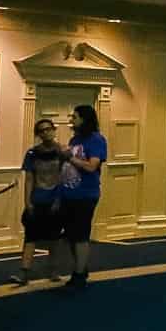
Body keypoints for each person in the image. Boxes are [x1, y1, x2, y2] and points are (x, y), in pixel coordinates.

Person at [11, 118, 67, 286]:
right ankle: (24, 272)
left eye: (48, 129)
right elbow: (29, 179)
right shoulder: (32, 153)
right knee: (31, 237)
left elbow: (65, 177)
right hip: (38, 199)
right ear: (38, 134)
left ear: (54, 130)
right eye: (42, 130)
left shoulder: (62, 152)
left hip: (55, 199)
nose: (46, 133)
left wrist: (59, 198)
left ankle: (54, 270)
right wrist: (27, 201)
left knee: (54, 238)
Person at [61, 104, 108, 289]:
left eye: (75, 117)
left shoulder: (96, 140)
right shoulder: (75, 140)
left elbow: (91, 166)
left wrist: (69, 157)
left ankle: (79, 274)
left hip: (85, 194)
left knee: (81, 234)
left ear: (84, 119)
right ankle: (80, 266)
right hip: (69, 193)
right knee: (72, 235)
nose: (71, 120)